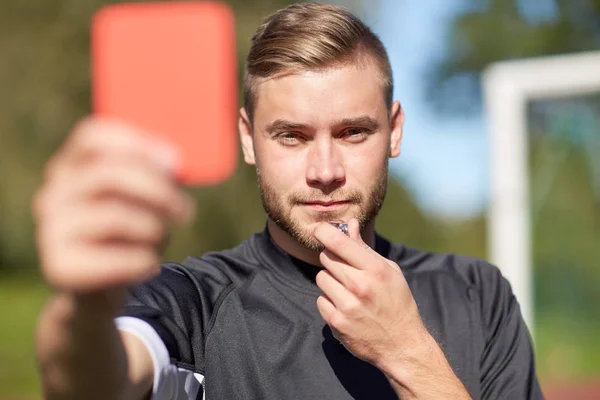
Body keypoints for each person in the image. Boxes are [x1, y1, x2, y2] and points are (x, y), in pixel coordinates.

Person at [34, 3, 544, 400]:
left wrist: (408, 352)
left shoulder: (477, 294)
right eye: (292, 137)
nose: (325, 171)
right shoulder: (194, 301)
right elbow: (97, 381)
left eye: (352, 132)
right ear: (249, 139)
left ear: (394, 131)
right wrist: (83, 309)